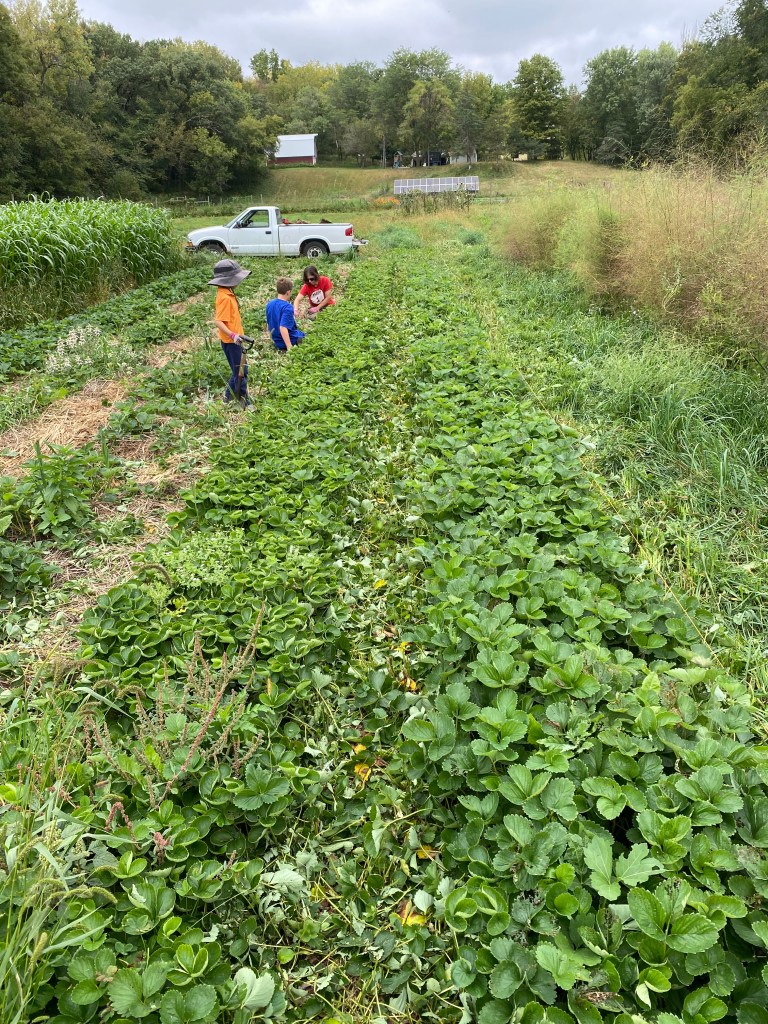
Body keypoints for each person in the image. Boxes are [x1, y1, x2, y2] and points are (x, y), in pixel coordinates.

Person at [209, 258, 251, 405]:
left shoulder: (226, 292)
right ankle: (243, 400)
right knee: (240, 372)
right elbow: (218, 321)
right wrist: (232, 335)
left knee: (238, 371)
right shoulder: (225, 298)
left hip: (233, 340)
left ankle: (228, 397)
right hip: (231, 342)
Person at [266, 277, 305, 351]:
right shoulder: (287, 307)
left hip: (277, 341)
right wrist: (289, 347)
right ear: (288, 292)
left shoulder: (269, 304)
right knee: (308, 337)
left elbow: (269, 324)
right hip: (290, 340)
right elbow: (283, 327)